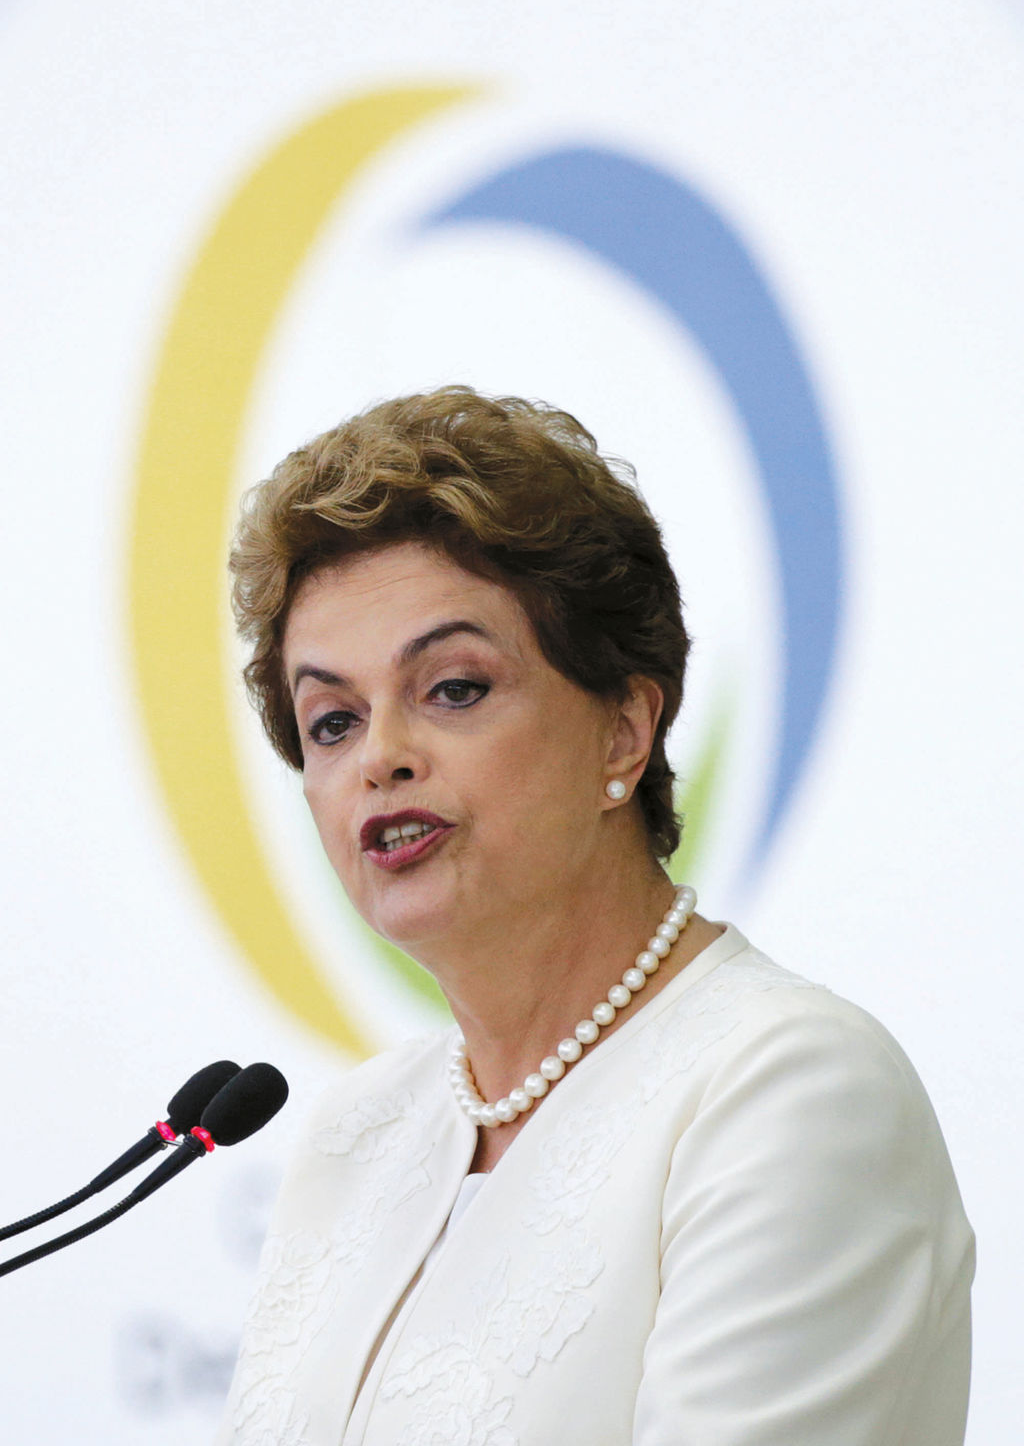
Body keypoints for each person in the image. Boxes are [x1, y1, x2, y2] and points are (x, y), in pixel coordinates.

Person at [216, 386, 974, 1446]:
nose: (379, 757)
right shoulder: (356, 1136)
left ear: (622, 730)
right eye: (332, 721)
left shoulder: (788, 1091)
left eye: (454, 688)